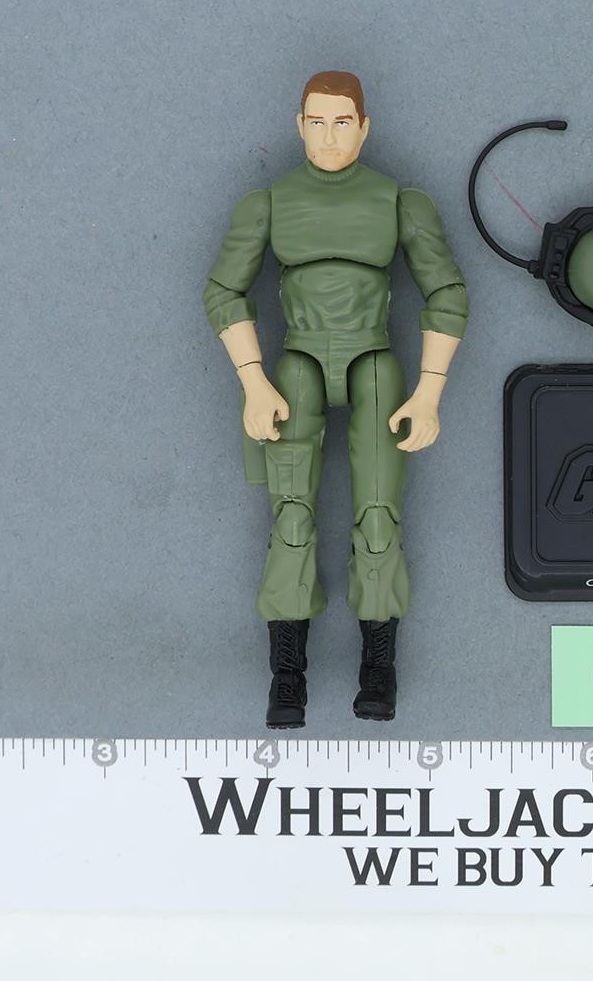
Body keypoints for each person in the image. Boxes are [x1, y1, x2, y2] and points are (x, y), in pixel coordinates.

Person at [204, 70, 468, 728]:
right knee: (292, 518)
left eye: (342, 122)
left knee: (378, 517)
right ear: (299, 126)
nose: (329, 137)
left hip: (374, 360)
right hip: (295, 366)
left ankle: (378, 669)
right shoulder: (269, 203)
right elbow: (224, 290)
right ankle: (287, 676)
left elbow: (446, 292)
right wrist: (252, 379)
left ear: (364, 127)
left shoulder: (399, 201)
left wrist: (429, 392)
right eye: (317, 122)